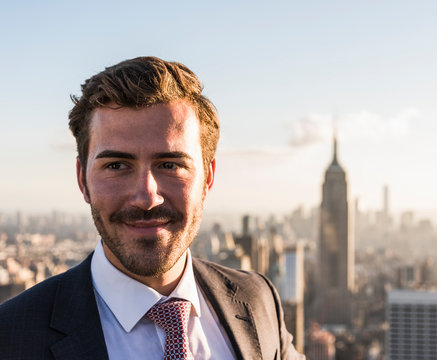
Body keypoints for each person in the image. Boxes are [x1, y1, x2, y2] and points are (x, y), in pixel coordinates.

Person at [0, 56, 304, 360]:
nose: (146, 197)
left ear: (208, 178)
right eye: (117, 165)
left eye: (170, 164)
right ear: (83, 179)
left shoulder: (258, 301)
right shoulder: (11, 336)